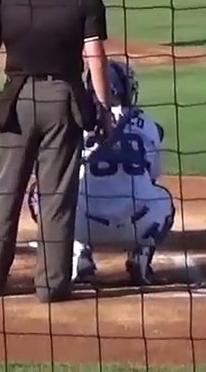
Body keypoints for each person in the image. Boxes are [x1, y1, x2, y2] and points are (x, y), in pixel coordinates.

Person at [0, 0, 115, 303]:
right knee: (56, 196)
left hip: (15, 101)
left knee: (5, 192)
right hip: (63, 100)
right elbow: (94, 58)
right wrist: (103, 107)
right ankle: (51, 285)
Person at [27, 60, 174, 286]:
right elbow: (152, 174)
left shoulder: (72, 119)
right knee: (163, 198)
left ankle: (77, 252)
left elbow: (52, 171)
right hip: (136, 225)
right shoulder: (148, 125)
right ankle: (141, 256)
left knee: (39, 191)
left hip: (79, 224)